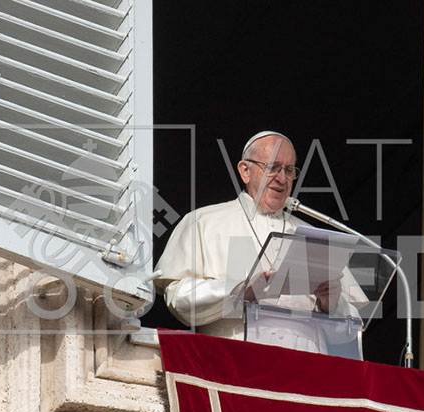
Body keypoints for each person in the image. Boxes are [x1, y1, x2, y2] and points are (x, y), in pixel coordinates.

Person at [154, 131, 363, 354]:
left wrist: (332, 304)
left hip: (308, 365)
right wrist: (240, 291)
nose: (282, 179)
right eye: (272, 167)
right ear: (245, 171)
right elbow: (179, 299)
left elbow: (353, 330)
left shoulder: (314, 237)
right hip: (234, 360)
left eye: (289, 170)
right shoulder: (203, 222)